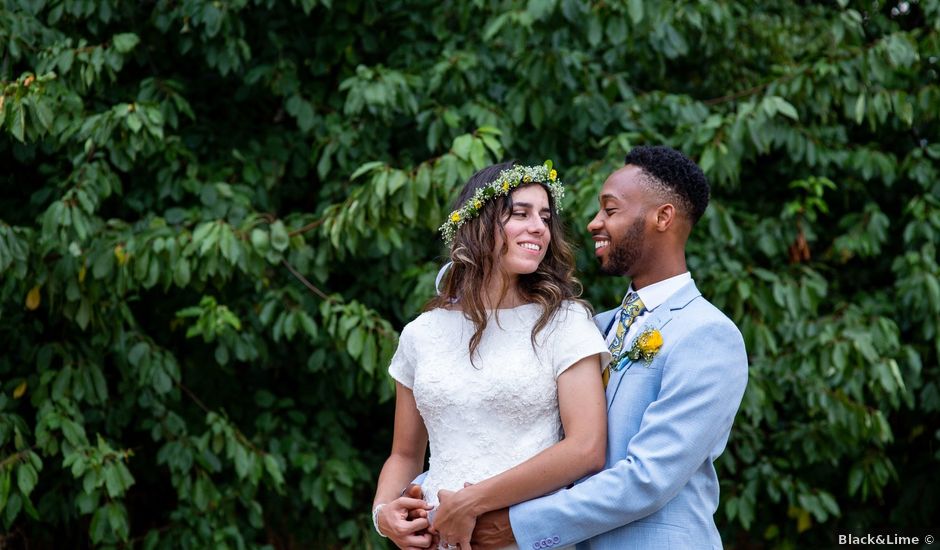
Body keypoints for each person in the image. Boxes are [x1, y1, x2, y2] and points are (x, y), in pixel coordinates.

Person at [467, 145, 749, 549]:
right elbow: (523, 431)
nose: (593, 223)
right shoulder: (591, 328)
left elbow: (648, 479)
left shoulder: (708, 335)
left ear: (662, 217)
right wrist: (430, 489)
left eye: (610, 210)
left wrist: (514, 525)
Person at [371, 161, 611, 550]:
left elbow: (586, 448)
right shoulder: (422, 333)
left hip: (521, 537)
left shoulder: (565, 323)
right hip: (435, 540)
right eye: (521, 214)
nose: (539, 227)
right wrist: (383, 513)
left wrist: (471, 501)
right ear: (478, 223)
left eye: (546, 217)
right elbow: (404, 454)